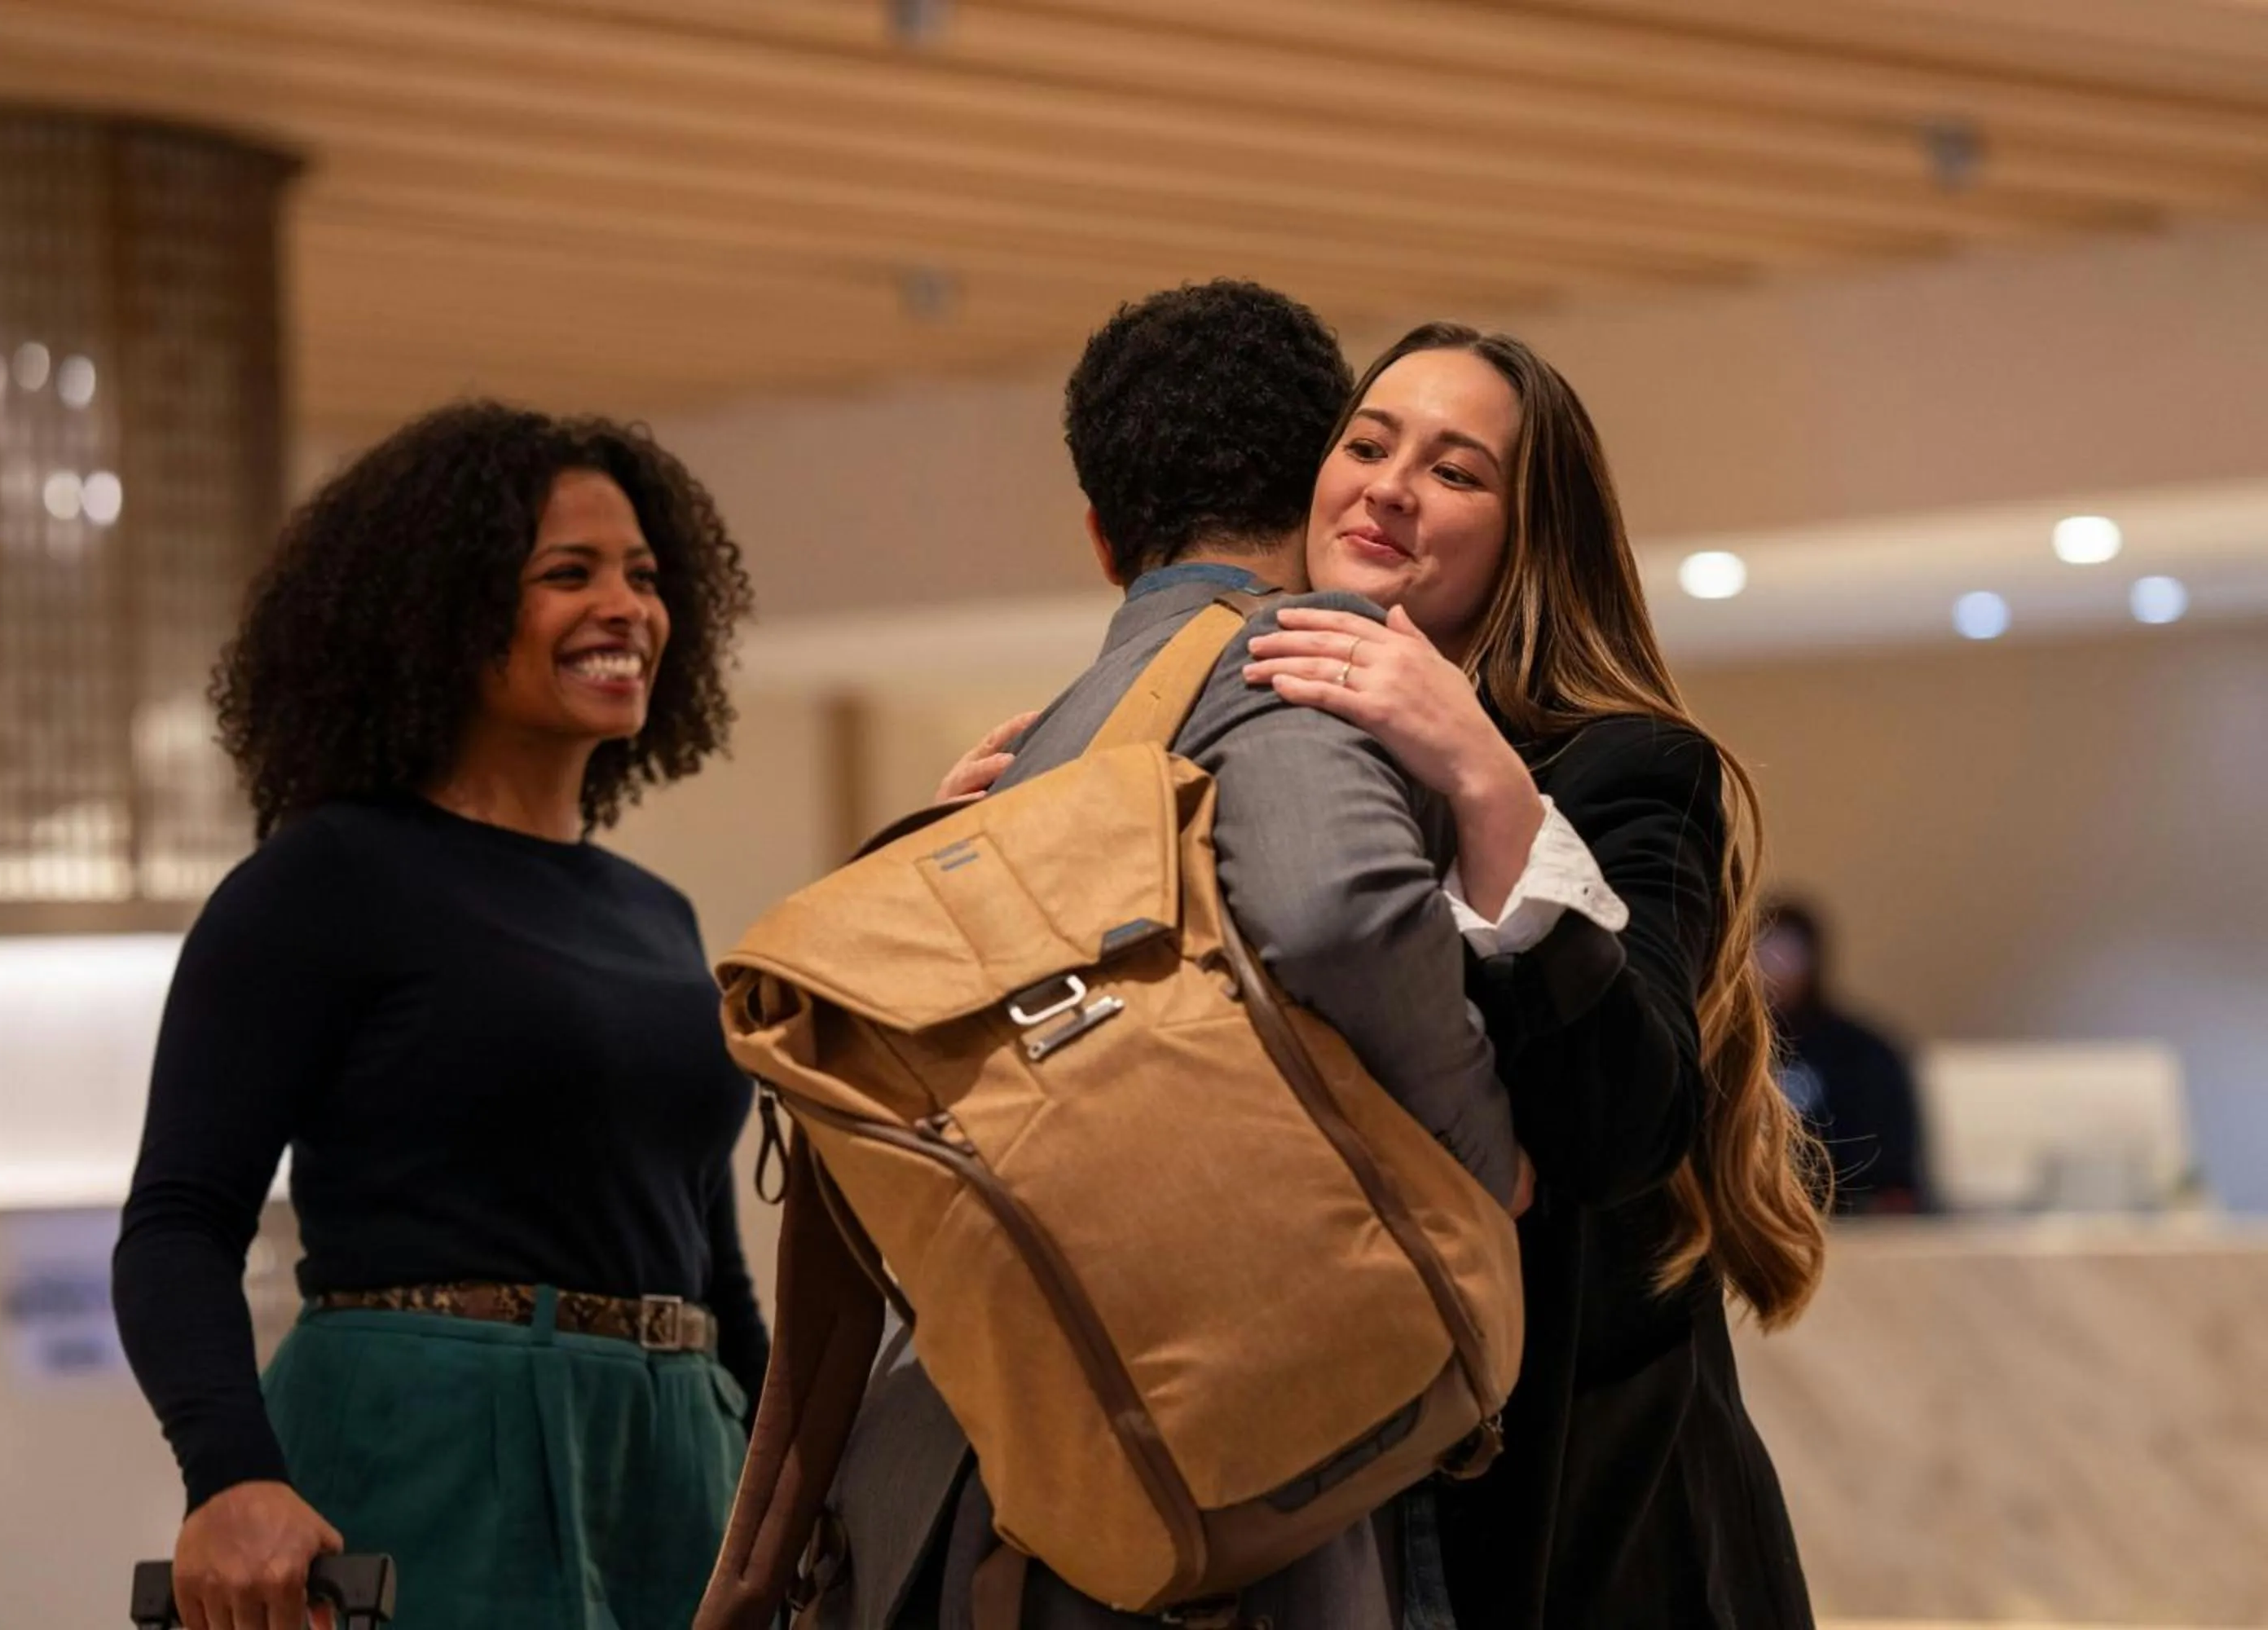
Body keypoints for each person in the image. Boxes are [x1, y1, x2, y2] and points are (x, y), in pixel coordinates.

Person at [799, 281, 1535, 1630]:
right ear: (1319, 478)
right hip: (1204, 1459)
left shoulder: (1035, 752)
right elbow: (1337, 912)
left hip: (978, 1456)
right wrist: (1480, 1167)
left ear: (1100, 536)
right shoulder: (1301, 661)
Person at [112, 403, 767, 1630]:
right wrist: (229, 1472)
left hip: (677, 1453)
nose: (625, 607)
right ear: (442, 611)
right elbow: (178, 1223)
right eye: (567, 574)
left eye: (642, 574)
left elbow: (710, 1264)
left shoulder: (659, 916)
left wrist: (796, 1480)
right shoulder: (326, 880)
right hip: (430, 1446)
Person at [1240, 323, 1830, 1628]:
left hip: (1591, 1513)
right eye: (1367, 445)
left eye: (1457, 472)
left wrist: (1483, 776)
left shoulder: (1628, 767)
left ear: (1529, 538)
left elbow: (1623, 1124)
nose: (1393, 487)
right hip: (1330, 1486)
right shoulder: (1247, 754)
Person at [1759, 896, 1931, 1213]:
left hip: (1853, 1215)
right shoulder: (1727, 1050)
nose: (1774, 970)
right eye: (1764, 954)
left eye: (1787, 955)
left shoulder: (1863, 1054)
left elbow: (1891, 1165)